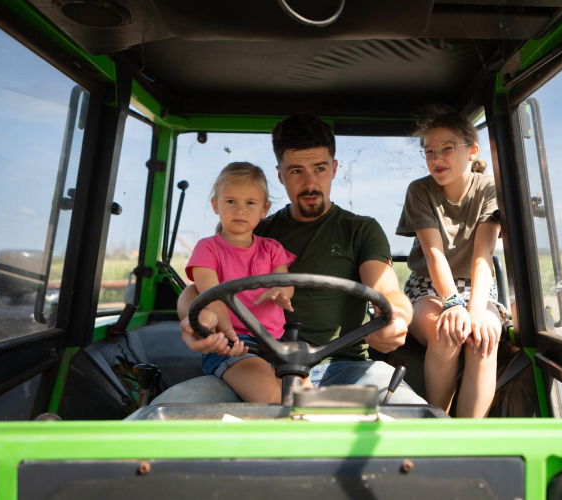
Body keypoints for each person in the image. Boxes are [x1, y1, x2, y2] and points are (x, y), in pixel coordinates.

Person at [154, 113, 425, 406]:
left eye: (319, 169)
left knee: (409, 410)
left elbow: (388, 292)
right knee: (174, 406)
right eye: (296, 171)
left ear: (334, 169)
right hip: (255, 360)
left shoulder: (359, 229)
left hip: (342, 365)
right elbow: (200, 289)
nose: (310, 183)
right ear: (280, 175)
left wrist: (396, 318)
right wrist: (192, 322)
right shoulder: (255, 229)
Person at [395, 108, 505, 418]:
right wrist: (452, 304)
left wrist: (475, 312)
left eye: (447, 148)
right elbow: (434, 254)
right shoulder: (420, 190)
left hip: (478, 287)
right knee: (447, 335)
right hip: (429, 286)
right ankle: (438, 428)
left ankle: (469, 437)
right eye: (429, 151)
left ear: (472, 151)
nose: (436, 158)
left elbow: (482, 257)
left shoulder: (489, 190)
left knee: (483, 340)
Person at [186, 161, 297, 403]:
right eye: (231, 201)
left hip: (276, 344)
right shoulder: (208, 248)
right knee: (272, 398)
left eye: (250, 203)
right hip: (234, 343)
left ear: (264, 209)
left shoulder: (272, 249)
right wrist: (227, 335)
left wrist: (281, 291)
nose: (240, 210)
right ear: (216, 205)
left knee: (305, 398)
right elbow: (211, 295)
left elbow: (286, 282)